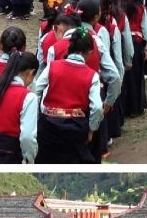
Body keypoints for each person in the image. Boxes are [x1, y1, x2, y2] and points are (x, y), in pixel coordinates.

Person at [35, 26, 103, 163]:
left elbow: (36, 89)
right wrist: (91, 129)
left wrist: (40, 113)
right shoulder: (92, 76)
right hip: (75, 129)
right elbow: (97, 107)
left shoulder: (53, 66)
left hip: (48, 125)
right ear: (90, 52)